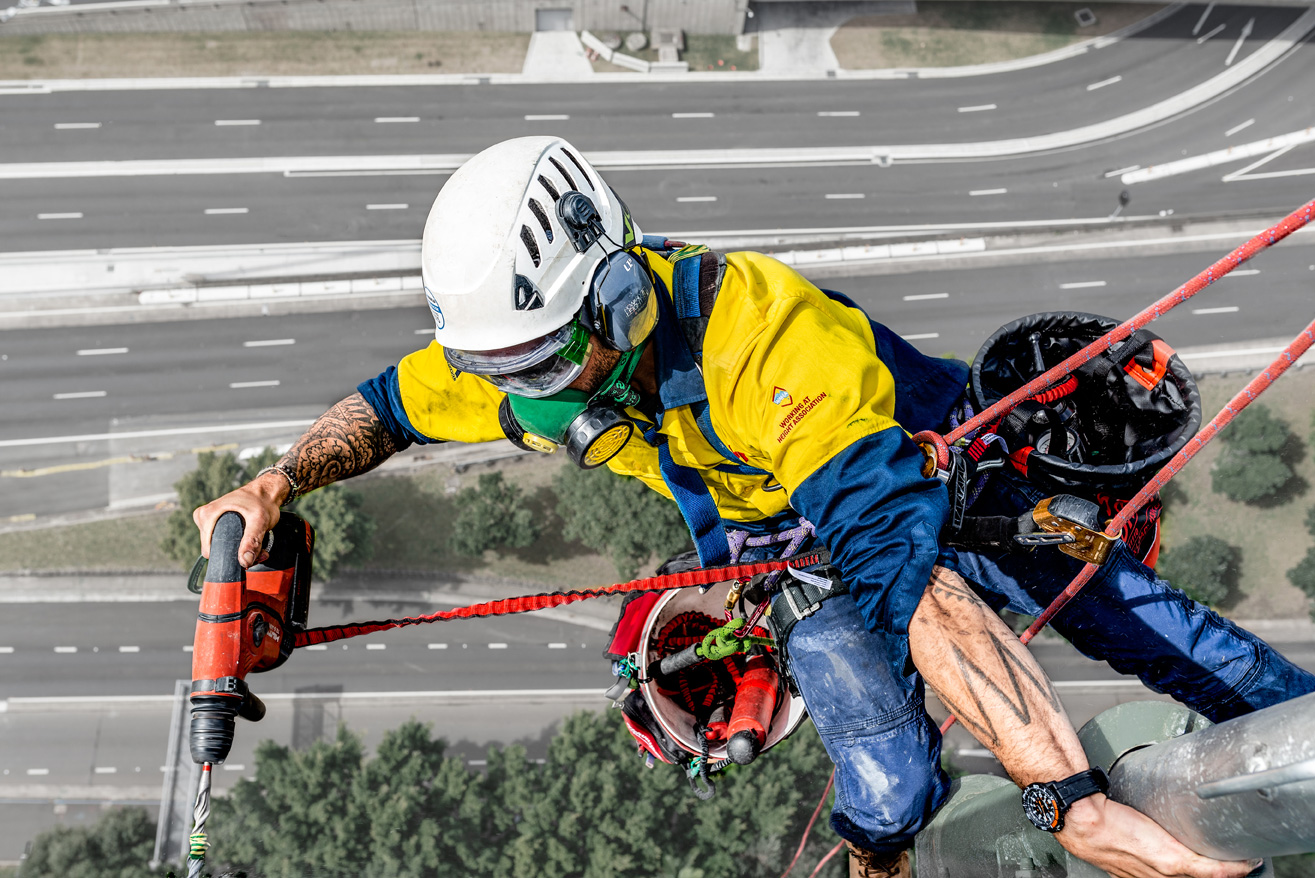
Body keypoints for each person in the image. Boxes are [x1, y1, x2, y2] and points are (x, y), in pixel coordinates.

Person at [195, 136, 1313, 878]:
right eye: (504, 368)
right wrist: (278, 479)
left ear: (618, 295)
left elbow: (902, 573)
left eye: (541, 359)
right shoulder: (521, 373)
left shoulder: (764, 340)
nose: (520, 394)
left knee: (1150, 624)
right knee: (888, 779)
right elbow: (392, 405)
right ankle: (883, 858)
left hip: (948, 493)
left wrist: (1067, 799)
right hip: (794, 554)